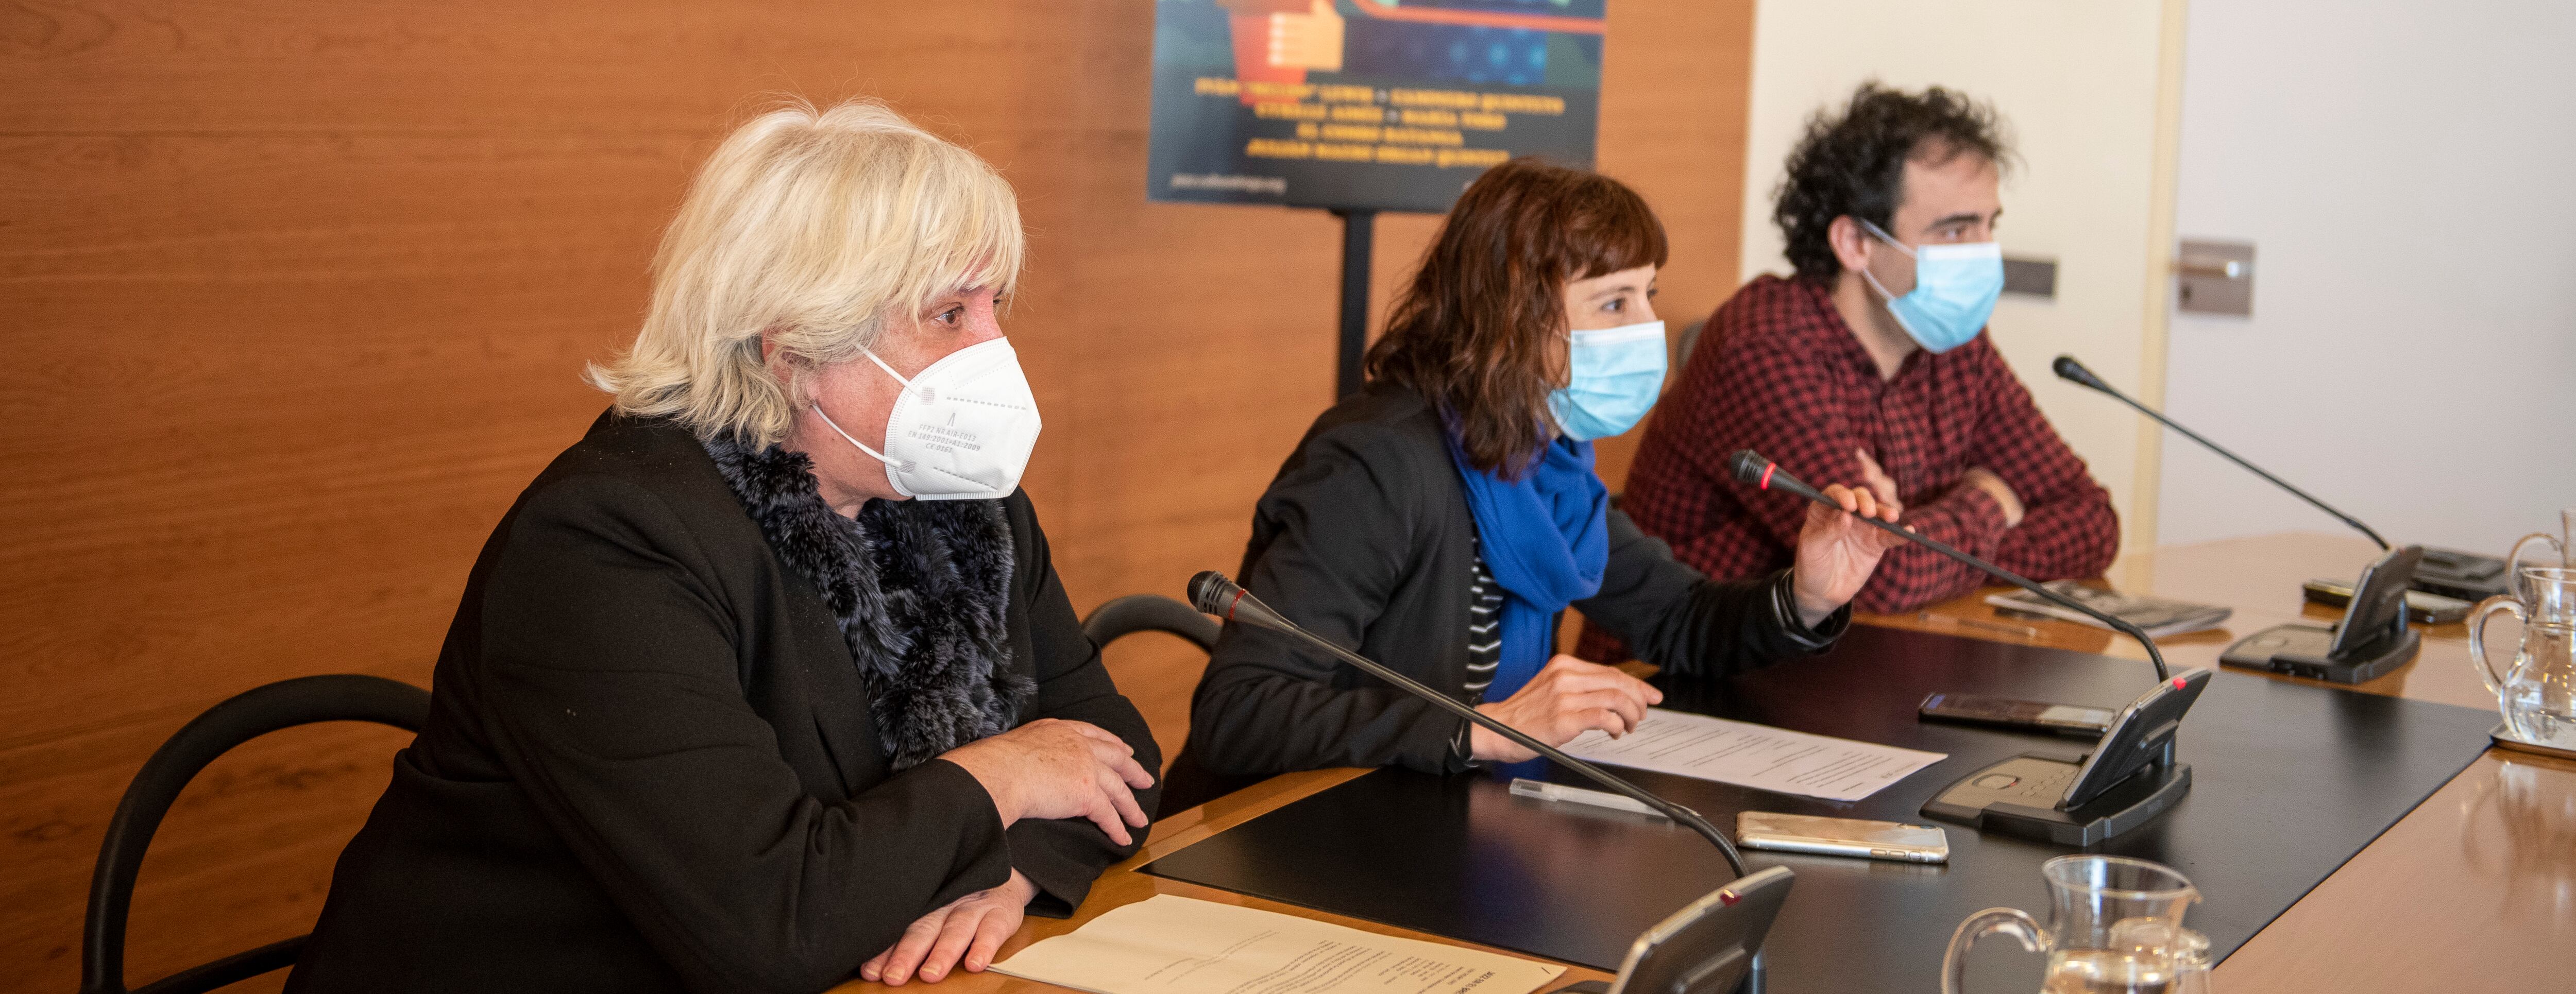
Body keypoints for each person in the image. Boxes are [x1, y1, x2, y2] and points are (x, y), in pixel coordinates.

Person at [290, 101, 1159, 994]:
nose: (995, 346)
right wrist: (999, 778)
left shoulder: (964, 499)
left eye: (993, 304)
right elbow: (767, 923)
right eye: (949, 314)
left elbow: (1110, 748)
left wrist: (1008, 873)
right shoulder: (608, 540)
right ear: (794, 350)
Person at [1165, 158, 1904, 808]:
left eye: (1649, 293)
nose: (1649, 327)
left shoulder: (1544, 461)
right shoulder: (1377, 464)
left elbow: (1678, 617)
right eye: (1615, 303)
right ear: (1512, 317)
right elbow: (1241, 712)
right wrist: (1483, 728)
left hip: (1428, 820)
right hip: (1282, 845)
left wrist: (1807, 597)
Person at [1596, 83, 2120, 638]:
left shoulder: (1953, 344)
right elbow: (1876, 575)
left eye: (1990, 226)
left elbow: (2091, 519)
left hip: (1853, 656)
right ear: (1853, 242)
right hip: (1677, 684)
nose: (1983, 252)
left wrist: (1929, 534)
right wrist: (1989, 501)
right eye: (1955, 230)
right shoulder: (1764, 344)